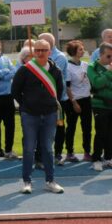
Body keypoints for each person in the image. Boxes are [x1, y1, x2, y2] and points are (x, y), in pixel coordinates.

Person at [11, 39, 65, 194]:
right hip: (30, 115)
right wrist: (27, 105)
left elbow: (59, 92)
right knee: (28, 148)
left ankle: (50, 180)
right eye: (38, 50)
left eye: (44, 50)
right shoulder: (25, 70)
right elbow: (15, 91)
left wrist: (48, 105)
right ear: (34, 52)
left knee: (48, 149)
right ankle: (27, 181)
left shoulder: (56, 70)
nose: (41, 53)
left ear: (50, 51)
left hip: (49, 115)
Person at [38, 33, 71, 164]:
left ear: (50, 43)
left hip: (58, 100)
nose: (39, 45)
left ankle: (57, 154)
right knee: (42, 128)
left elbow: (48, 75)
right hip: (42, 101)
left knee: (59, 127)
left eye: (42, 42)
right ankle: (41, 156)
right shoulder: (38, 56)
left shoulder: (59, 57)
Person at [64, 40, 93, 163]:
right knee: (71, 127)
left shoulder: (85, 65)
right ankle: (70, 152)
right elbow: (68, 86)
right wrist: (74, 102)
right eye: (80, 49)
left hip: (86, 100)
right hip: (74, 101)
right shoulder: (68, 67)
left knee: (87, 128)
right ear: (74, 52)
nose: (83, 51)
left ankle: (87, 152)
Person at [89, 42, 112, 171]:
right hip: (99, 105)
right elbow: (97, 84)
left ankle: (109, 157)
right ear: (101, 55)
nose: (111, 59)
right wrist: (108, 73)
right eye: (108, 56)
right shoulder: (92, 67)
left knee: (110, 133)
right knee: (101, 132)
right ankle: (96, 159)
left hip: (111, 104)